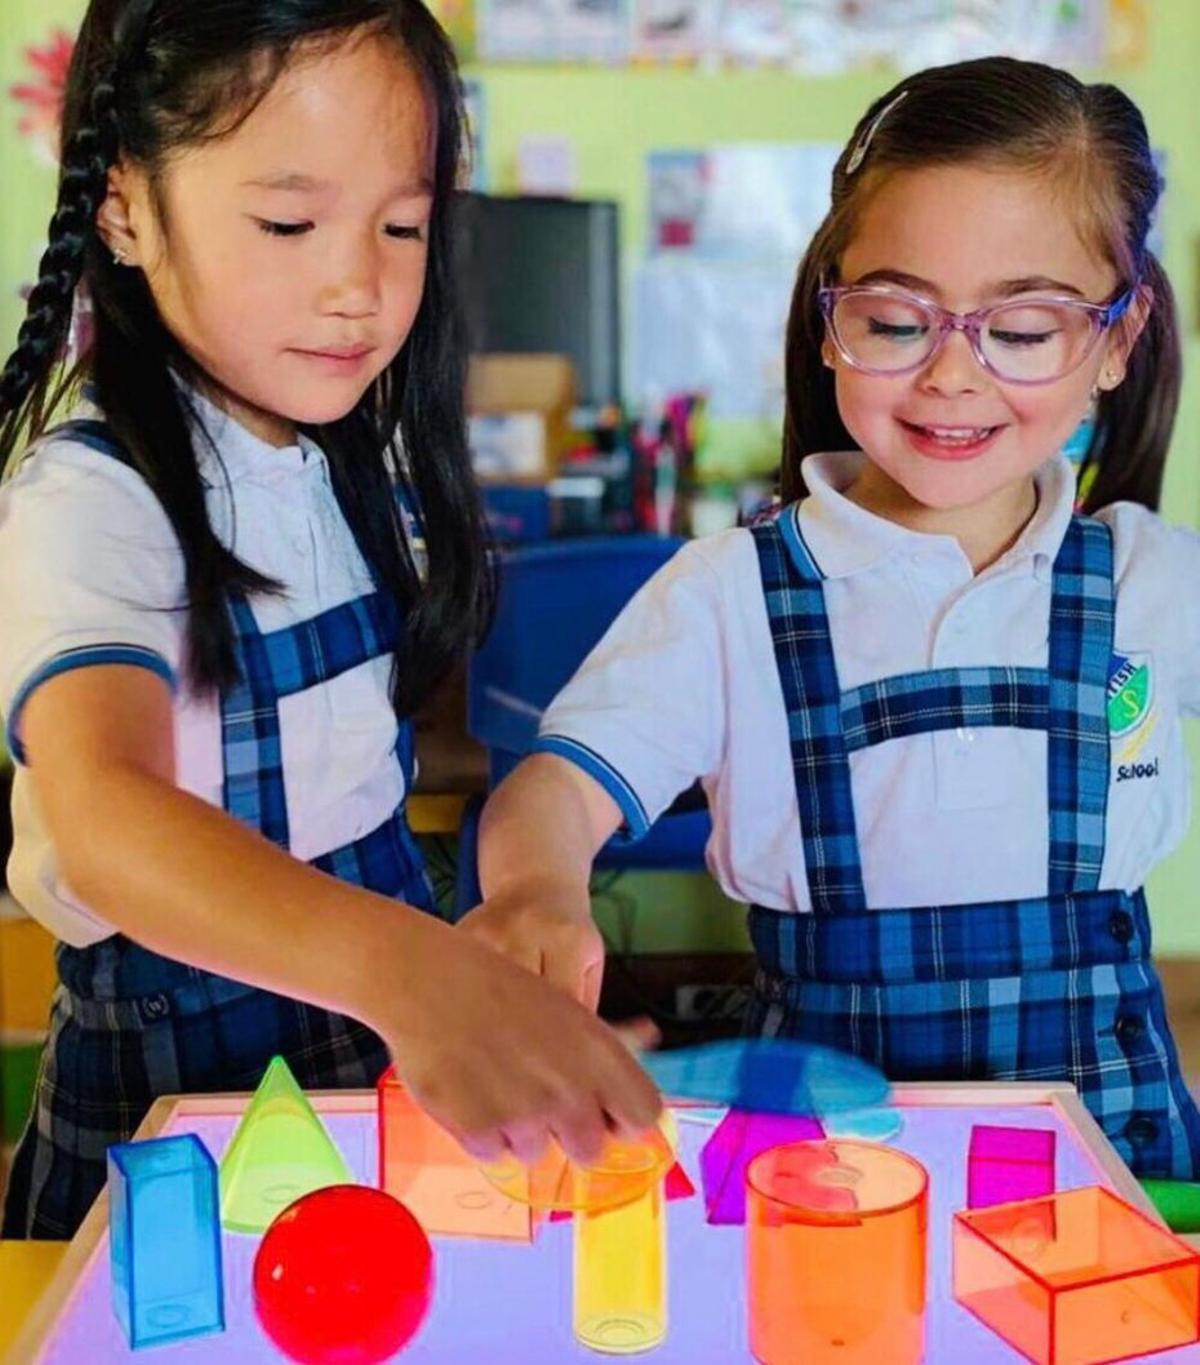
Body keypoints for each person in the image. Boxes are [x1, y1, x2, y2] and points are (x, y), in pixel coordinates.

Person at [465, 56, 1200, 1178]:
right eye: (896, 321)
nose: (952, 376)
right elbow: (555, 789)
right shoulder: (730, 594)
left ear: (1116, 340)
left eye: (1024, 329)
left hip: (1106, 1162)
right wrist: (535, 890)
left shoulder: (1152, 580)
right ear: (828, 318)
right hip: (826, 1167)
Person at [0, 0, 658, 1240]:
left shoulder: (344, 460)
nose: (358, 286)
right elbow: (103, 821)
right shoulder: (92, 498)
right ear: (125, 204)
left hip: (369, 1037)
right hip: (177, 1077)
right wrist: (413, 974)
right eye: (289, 223)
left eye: (402, 226)